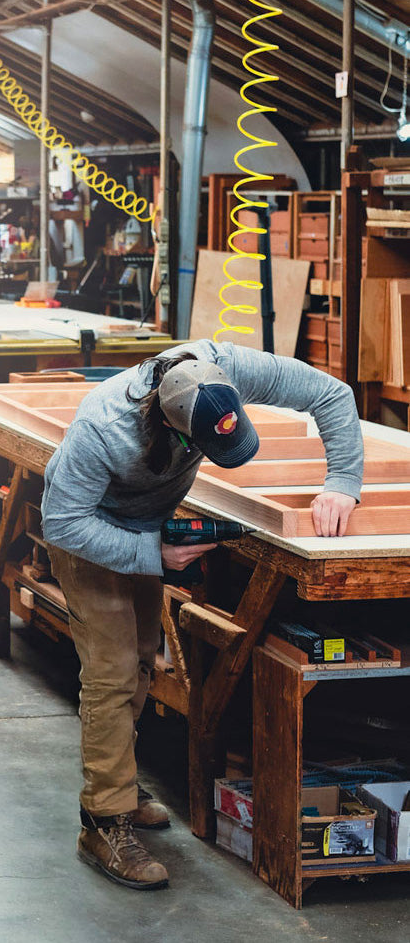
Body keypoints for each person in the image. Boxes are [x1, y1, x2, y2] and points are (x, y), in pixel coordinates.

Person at [41, 340, 363, 891]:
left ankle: (119, 782)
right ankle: (103, 819)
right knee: (113, 671)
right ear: (177, 432)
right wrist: (154, 556)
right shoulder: (103, 426)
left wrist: (343, 485)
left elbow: (331, 394)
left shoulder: (224, 368)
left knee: (142, 661)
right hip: (91, 531)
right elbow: (62, 521)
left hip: (148, 525)